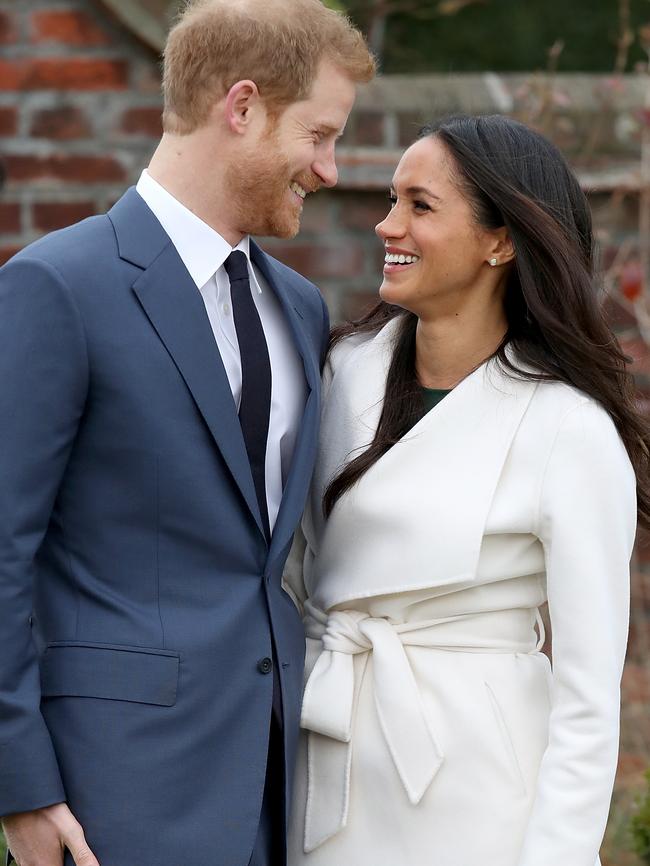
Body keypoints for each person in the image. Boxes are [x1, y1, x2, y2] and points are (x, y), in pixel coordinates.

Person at [0, 1, 374, 864]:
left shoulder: (301, 305)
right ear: (240, 108)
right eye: (319, 135)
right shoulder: (57, 286)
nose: (329, 168)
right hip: (108, 797)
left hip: (275, 791)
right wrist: (22, 788)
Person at [284, 114, 650, 866]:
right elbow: (289, 573)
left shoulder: (568, 430)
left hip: (480, 798)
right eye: (393, 200)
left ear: (501, 240)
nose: (388, 224)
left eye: (421, 205)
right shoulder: (338, 370)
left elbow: (587, 705)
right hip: (325, 763)